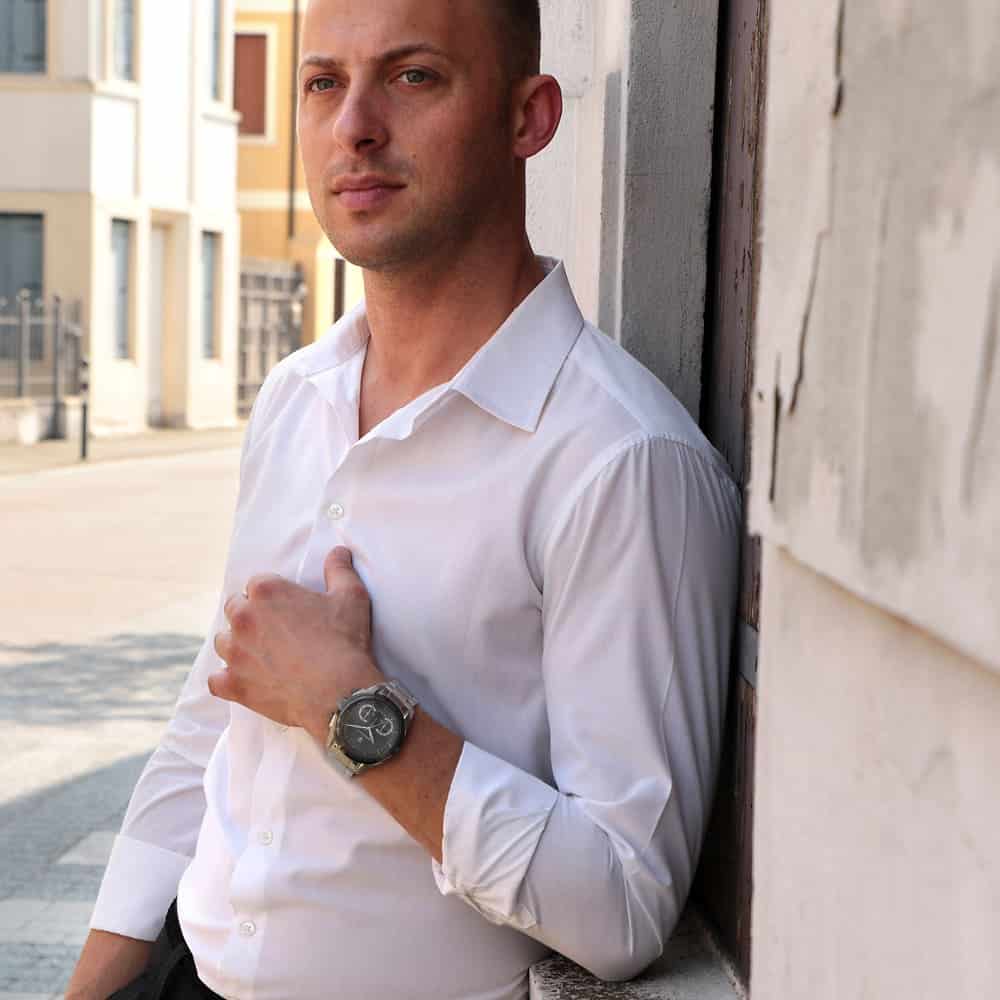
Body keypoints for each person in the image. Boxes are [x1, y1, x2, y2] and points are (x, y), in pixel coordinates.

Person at [67, 0, 740, 997]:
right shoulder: (295, 396)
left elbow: (624, 904)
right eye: (323, 83)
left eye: (413, 76)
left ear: (529, 118)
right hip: (186, 971)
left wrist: (350, 710)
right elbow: (213, 720)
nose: (354, 127)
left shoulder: (621, 460)